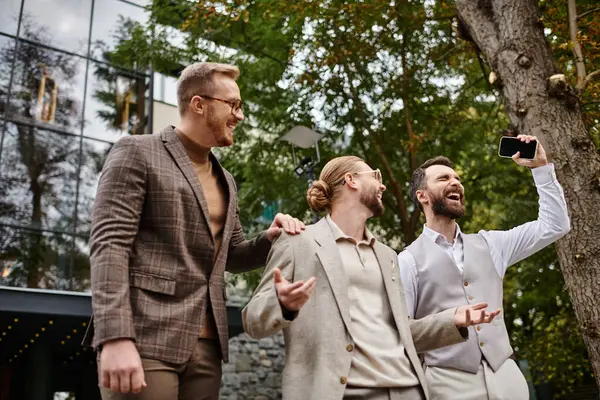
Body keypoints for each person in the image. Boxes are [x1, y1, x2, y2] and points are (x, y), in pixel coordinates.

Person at [84, 62, 305, 400]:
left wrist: (268, 239)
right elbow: (109, 246)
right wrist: (115, 337)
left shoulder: (226, 179)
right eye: (233, 104)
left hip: (206, 347)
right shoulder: (137, 152)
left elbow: (231, 255)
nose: (240, 115)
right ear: (198, 104)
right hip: (146, 338)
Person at [242, 156, 501, 400]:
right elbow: (252, 319)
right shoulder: (298, 241)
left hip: (406, 389)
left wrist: (452, 320)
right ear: (351, 180)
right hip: (345, 392)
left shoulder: (387, 254)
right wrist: (282, 305)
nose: (383, 185)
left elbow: (402, 332)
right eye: (376, 175)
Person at [398, 135, 571, 399]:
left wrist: (541, 169)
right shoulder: (406, 261)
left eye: (457, 178)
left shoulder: (491, 244)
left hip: (507, 376)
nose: (455, 182)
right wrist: (450, 320)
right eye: (443, 178)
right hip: (446, 384)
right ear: (422, 196)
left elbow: (554, 226)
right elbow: (402, 332)